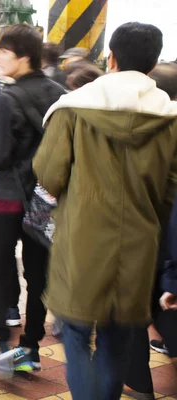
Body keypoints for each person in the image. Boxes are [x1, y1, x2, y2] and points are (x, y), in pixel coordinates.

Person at [33, 22, 177, 400]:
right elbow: (169, 191)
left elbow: (48, 173)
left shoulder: (73, 109)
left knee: (77, 334)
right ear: (153, 62)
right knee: (117, 337)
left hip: (81, 239)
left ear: (110, 57)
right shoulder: (169, 118)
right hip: (139, 244)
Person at [0, 24, 66, 373]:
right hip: (45, 198)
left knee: (0, 267)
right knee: (38, 274)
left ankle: (4, 338)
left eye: (4, 52)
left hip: (7, 197)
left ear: (24, 57)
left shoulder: (8, 98)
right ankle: (30, 346)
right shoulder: (61, 95)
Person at [123, 62, 177, 400]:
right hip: (164, 239)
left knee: (134, 309)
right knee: (164, 306)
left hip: (147, 237)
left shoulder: (143, 129)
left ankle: (139, 383)